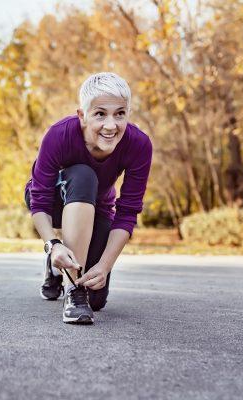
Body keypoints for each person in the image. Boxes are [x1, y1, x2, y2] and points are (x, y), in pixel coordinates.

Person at [24, 72, 152, 324]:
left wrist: (104, 266)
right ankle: (73, 291)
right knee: (85, 175)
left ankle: (62, 271)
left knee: (97, 298)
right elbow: (39, 200)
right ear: (82, 115)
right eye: (100, 114)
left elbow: (127, 212)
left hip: (98, 208)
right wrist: (53, 244)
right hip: (53, 201)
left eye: (120, 114)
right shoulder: (59, 134)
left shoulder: (139, 145)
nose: (111, 125)